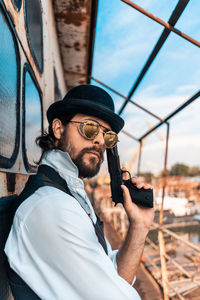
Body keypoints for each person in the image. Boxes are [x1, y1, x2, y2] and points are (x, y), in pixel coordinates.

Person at [5, 84, 154, 300]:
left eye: (108, 136)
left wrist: (140, 226)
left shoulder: (70, 194)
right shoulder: (51, 205)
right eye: (90, 128)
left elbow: (115, 277)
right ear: (58, 129)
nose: (100, 141)